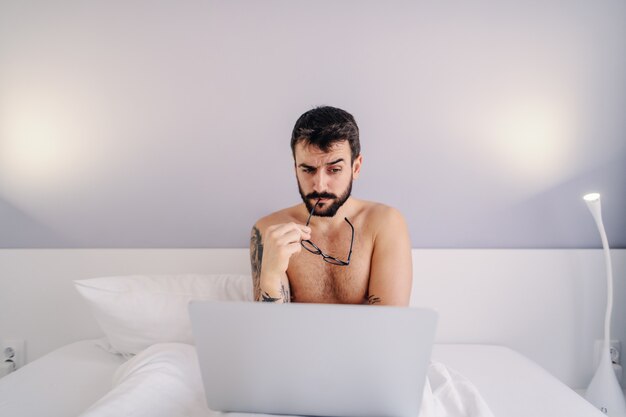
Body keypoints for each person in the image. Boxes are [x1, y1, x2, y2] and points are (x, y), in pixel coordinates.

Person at [250, 106, 412, 306]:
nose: (319, 185)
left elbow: (390, 325)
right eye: (308, 169)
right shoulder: (268, 230)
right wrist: (270, 275)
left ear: (356, 167)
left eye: (334, 169)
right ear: (295, 169)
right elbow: (269, 329)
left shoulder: (384, 223)